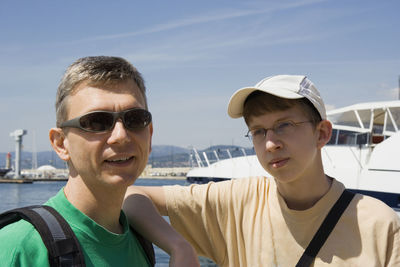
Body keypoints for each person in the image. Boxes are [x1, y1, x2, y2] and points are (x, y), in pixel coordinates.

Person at [124, 74, 400, 266]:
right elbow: (131, 198)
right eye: (258, 131)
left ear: (322, 133)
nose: (270, 143)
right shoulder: (240, 200)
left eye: (285, 125)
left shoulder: (381, 226)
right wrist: (178, 246)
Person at [0, 56, 198, 266]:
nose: (121, 135)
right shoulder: (18, 247)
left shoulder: (140, 241)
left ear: (149, 135)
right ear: (60, 143)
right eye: (96, 122)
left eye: (135, 119)